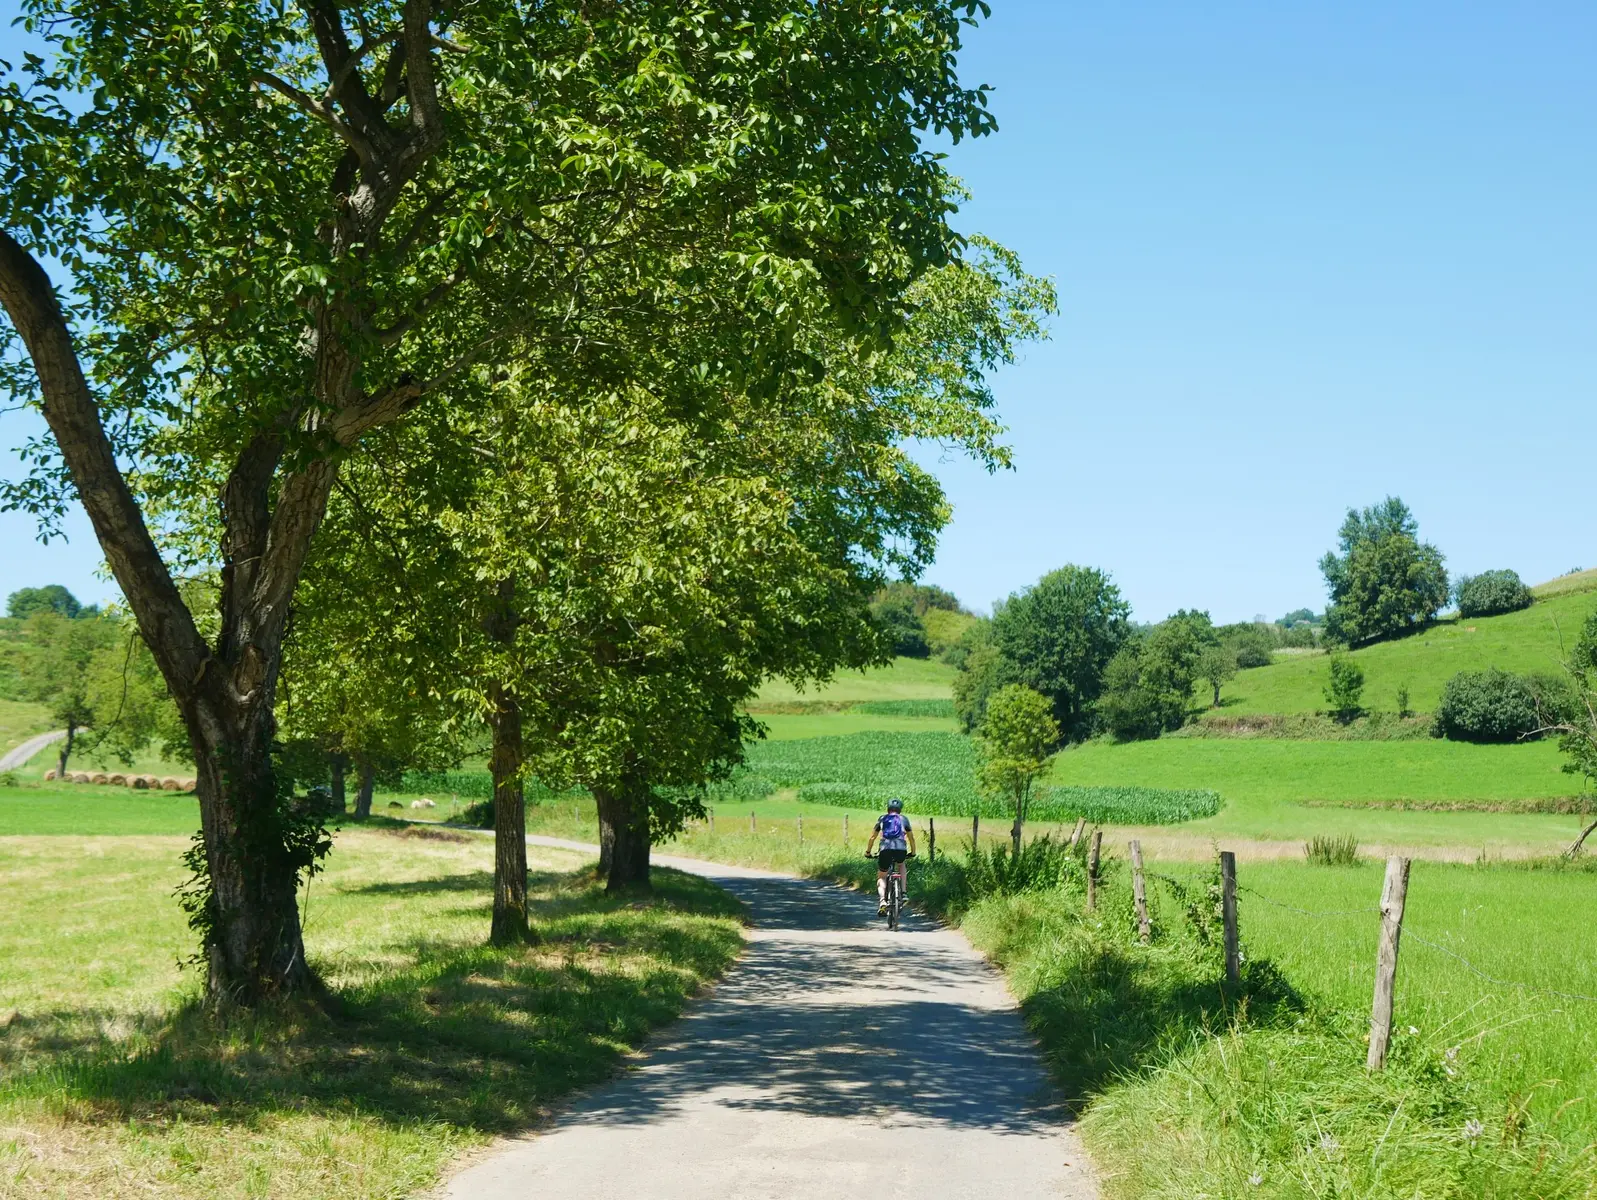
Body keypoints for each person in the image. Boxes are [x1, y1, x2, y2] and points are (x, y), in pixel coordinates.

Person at [866, 797, 917, 917]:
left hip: (885, 849)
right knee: (901, 865)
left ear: (888, 808)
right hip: (901, 848)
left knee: (882, 875)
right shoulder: (903, 819)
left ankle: (882, 901)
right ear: (900, 809)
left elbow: (872, 837)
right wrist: (913, 852)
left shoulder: (882, 819)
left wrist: (868, 851)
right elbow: (911, 838)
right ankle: (903, 892)